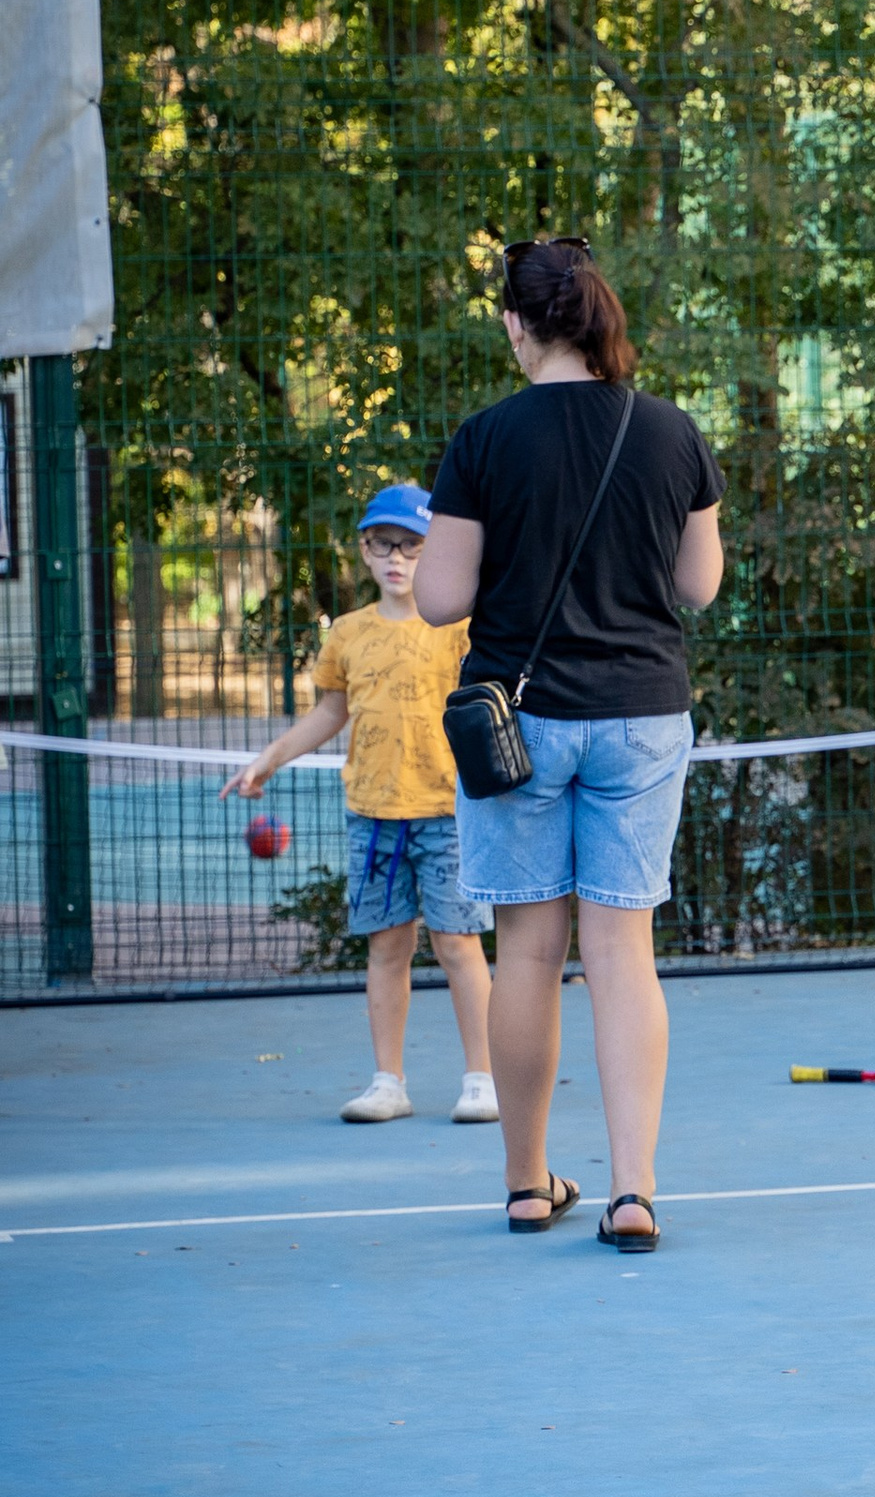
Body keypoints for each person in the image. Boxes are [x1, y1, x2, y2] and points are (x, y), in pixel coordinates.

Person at [413, 236, 724, 1250]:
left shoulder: (485, 439)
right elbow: (698, 586)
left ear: (515, 322)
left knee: (527, 955)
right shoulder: (670, 431)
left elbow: (442, 600)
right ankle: (633, 1192)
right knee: (622, 952)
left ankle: (523, 1182)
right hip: (640, 714)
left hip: (517, 719)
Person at [222, 481, 496, 1125]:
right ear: (365, 553)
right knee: (386, 947)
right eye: (383, 544)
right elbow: (330, 712)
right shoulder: (347, 633)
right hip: (371, 815)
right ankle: (388, 1082)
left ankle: (483, 1078)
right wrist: (269, 758)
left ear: (435, 552)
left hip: (449, 813)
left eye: (411, 545)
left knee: (460, 946)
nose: (396, 558)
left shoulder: (460, 629)